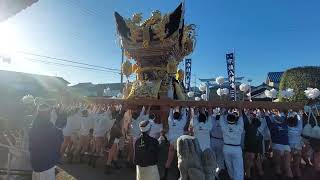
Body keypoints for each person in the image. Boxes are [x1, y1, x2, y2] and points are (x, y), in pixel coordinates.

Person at [29, 103, 63, 180]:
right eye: (49, 113)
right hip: (45, 165)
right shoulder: (48, 128)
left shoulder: (34, 125)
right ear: (47, 114)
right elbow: (58, 136)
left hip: (35, 163)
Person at [266, 110, 293, 180]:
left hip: (277, 147)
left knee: (277, 165)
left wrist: (265, 111)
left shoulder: (272, 126)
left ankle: (279, 176)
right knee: (287, 166)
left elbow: (267, 118)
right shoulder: (286, 126)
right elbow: (286, 117)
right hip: (286, 147)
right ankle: (290, 177)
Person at [220, 108, 244, 180]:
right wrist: (239, 108)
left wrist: (226, 109)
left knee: (229, 166)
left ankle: (232, 178)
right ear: (235, 120)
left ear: (227, 120)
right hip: (236, 148)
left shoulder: (224, 126)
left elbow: (221, 117)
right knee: (238, 167)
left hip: (226, 148)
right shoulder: (239, 127)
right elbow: (241, 117)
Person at [165, 107, 187, 173]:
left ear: (173, 117)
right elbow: (184, 117)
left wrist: (171, 108)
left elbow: (170, 116)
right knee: (180, 159)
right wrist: (183, 108)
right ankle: (179, 174)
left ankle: (165, 175)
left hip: (172, 143)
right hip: (179, 142)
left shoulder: (170, 122)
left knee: (169, 160)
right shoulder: (182, 123)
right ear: (179, 117)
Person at [243, 111, 264, 180]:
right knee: (259, 168)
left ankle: (248, 177)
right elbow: (260, 144)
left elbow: (244, 119)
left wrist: (242, 111)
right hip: (256, 152)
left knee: (247, 168)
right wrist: (260, 153)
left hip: (248, 151)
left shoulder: (248, 128)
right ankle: (261, 176)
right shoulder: (260, 132)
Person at [287, 112, 303, 178]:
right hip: (298, 147)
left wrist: (291, 114)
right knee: (297, 165)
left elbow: (286, 120)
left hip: (290, 148)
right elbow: (300, 121)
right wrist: (298, 114)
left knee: (288, 164)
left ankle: (290, 176)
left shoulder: (287, 128)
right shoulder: (299, 128)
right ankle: (298, 176)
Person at [210, 108, 225, 175]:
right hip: (220, 141)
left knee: (213, 157)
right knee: (220, 158)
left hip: (213, 140)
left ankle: (213, 172)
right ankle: (219, 172)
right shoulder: (223, 123)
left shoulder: (213, 122)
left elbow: (210, 116)